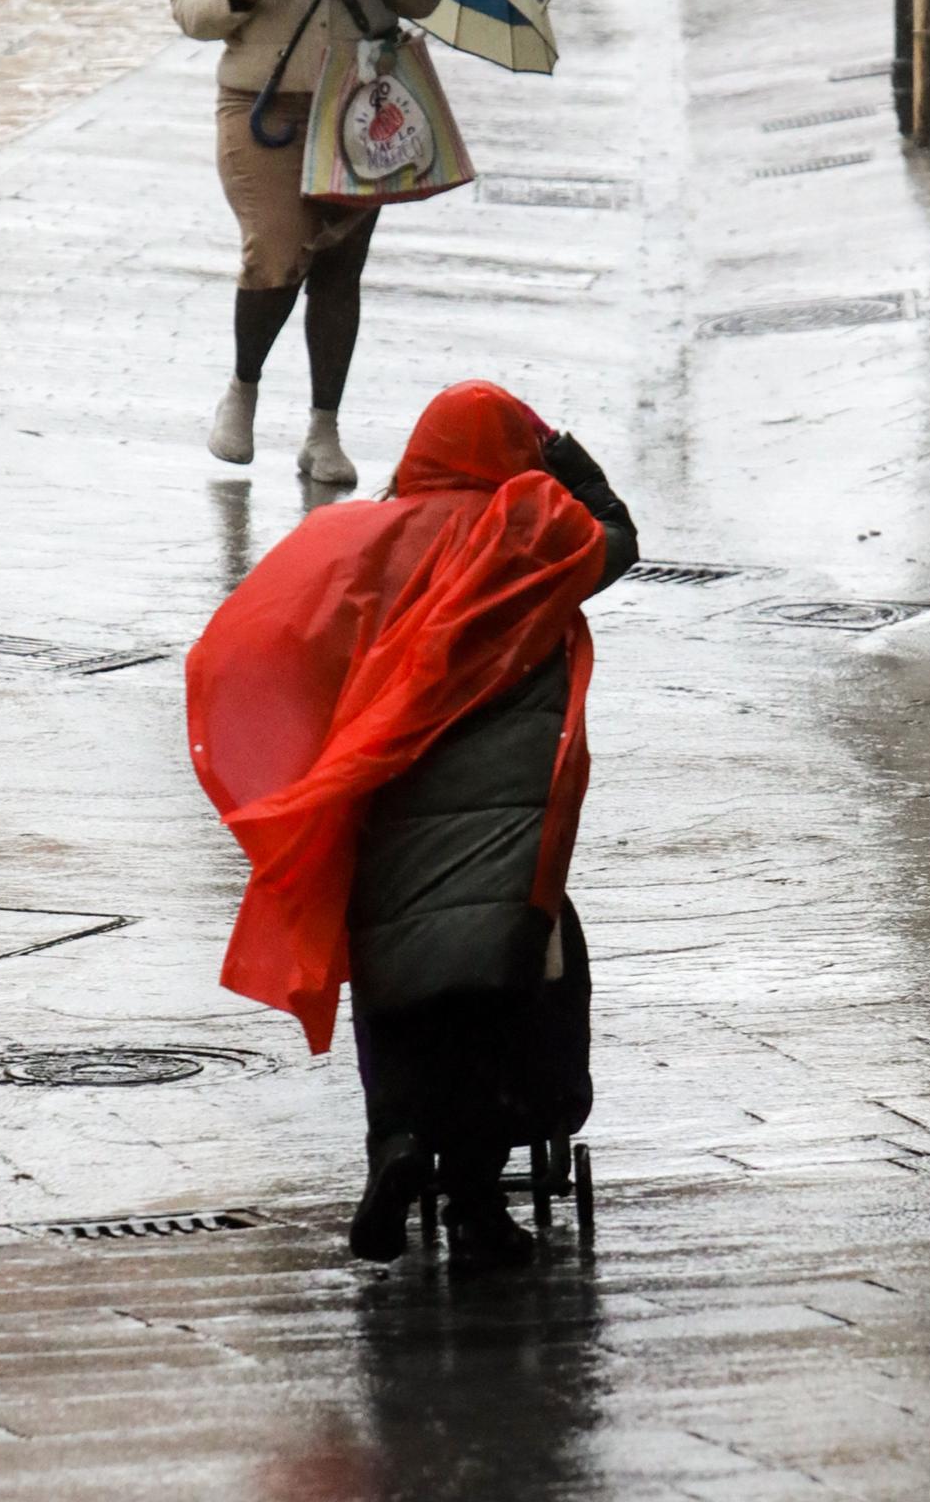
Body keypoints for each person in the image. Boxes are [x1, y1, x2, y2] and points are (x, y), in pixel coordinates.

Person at [186, 381, 637, 1274]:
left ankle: (394, 1144)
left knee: (392, 982)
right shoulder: (532, 539)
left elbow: (279, 631)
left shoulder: (362, 542)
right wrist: (565, 457)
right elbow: (618, 539)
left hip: (387, 814)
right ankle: (475, 1199)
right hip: (509, 841)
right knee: (499, 992)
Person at [171, 0, 445, 481]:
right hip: (259, 108)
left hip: (356, 110)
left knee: (338, 268)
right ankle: (243, 390)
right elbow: (187, 8)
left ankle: (324, 431)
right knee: (275, 245)